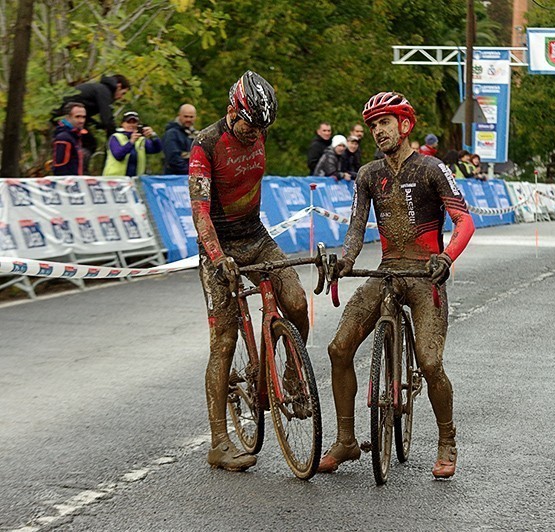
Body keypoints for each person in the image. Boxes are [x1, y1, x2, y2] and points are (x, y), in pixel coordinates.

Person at [320, 92, 475, 479]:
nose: (378, 131)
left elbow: (464, 222)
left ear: (405, 125)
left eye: (384, 122)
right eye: (373, 125)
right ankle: (346, 440)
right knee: (339, 348)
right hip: (387, 271)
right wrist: (346, 260)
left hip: (426, 274)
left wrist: (447, 257)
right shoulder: (369, 174)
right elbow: (356, 226)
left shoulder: (432, 168)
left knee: (430, 361)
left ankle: (446, 440)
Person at [189, 70, 309, 471]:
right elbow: (200, 211)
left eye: (261, 128)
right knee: (223, 340)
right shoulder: (205, 145)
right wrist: (215, 255)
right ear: (231, 111)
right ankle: (219, 443)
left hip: (256, 236)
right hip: (218, 246)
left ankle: (291, 377)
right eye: (248, 125)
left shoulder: (259, 130)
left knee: (296, 301)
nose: (253, 134)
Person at [54, 74, 130, 155]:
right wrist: (117, 138)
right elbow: (107, 120)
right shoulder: (104, 91)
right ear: (119, 86)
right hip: (65, 116)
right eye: (123, 93)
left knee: (83, 143)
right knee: (89, 144)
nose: (121, 97)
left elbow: (86, 114)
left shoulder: (99, 89)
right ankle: (77, 165)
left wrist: (97, 125)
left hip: (62, 115)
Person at [102, 111, 162, 177]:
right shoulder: (116, 137)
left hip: (134, 180)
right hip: (115, 180)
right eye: (128, 122)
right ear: (123, 124)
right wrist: (131, 142)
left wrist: (153, 135)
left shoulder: (140, 140)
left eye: (134, 122)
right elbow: (118, 155)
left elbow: (157, 149)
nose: (131, 125)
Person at [52, 102, 87, 176]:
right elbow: (60, 167)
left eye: (83, 117)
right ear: (68, 117)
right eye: (77, 117)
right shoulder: (63, 138)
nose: (82, 121)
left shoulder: (75, 135)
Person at [162, 104, 198, 174]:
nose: (188, 119)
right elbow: (173, 158)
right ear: (179, 115)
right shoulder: (172, 134)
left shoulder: (195, 134)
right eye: (186, 116)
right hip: (175, 178)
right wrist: (190, 170)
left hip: (191, 177)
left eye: (191, 117)